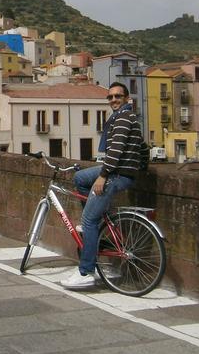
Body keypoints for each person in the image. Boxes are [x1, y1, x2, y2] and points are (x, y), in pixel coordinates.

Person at [60, 82, 145, 289]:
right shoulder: (125, 117)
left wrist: (103, 176)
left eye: (118, 96)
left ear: (126, 99)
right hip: (120, 172)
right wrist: (139, 167)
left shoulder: (124, 118)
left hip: (115, 174)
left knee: (88, 221)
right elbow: (142, 145)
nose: (114, 100)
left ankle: (86, 271)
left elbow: (115, 151)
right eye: (110, 97)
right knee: (80, 178)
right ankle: (96, 222)